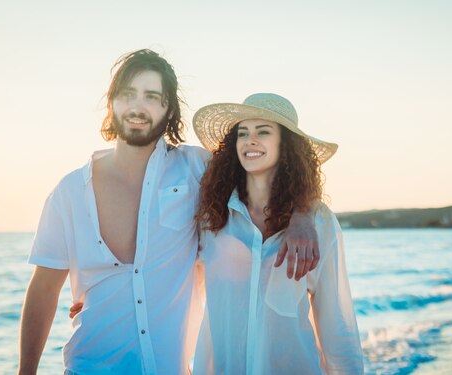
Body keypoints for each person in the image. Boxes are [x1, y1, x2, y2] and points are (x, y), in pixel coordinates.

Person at [18, 50, 319, 375]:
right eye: (128, 94)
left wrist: (302, 215)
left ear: (169, 109)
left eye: (152, 96)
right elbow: (44, 289)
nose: (138, 106)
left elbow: (271, 173)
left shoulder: (197, 170)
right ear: (112, 103)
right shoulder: (69, 192)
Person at [192, 93, 364, 374]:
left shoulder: (319, 223)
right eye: (243, 133)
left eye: (263, 132)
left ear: (286, 145)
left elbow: (337, 324)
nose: (250, 140)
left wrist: (304, 211)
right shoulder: (212, 218)